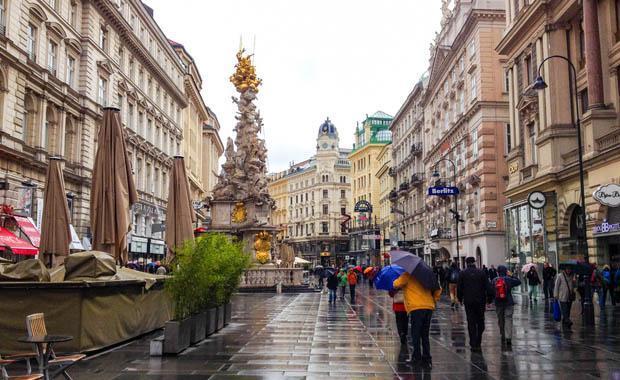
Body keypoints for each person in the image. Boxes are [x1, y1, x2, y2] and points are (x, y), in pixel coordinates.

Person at [393, 272, 441, 369]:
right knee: (425, 334)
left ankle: (416, 358)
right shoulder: (428, 275)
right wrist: (434, 299)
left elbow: (396, 284)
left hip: (416, 307)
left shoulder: (407, 275)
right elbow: (438, 289)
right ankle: (427, 358)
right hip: (428, 306)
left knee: (416, 334)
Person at [457, 256, 494, 351]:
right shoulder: (481, 272)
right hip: (480, 301)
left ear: (466, 263)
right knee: (480, 321)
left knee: (471, 321)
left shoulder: (462, 273)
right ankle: (478, 339)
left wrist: (460, 299)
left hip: (468, 301)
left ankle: (473, 342)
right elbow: (488, 287)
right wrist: (489, 299)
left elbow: (459, 288)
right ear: (474, 262)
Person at [492, 266, 521, 346]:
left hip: (498, 303)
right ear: (505, 271)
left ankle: (502, 334)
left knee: (500, 319)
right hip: (508, 302)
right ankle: (508, 337)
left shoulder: (494, 280)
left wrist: (490, 300)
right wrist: (511, 275)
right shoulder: (509, 279)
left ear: (497, 272)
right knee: (508, 318)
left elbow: (491, 291)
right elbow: (519, 282)